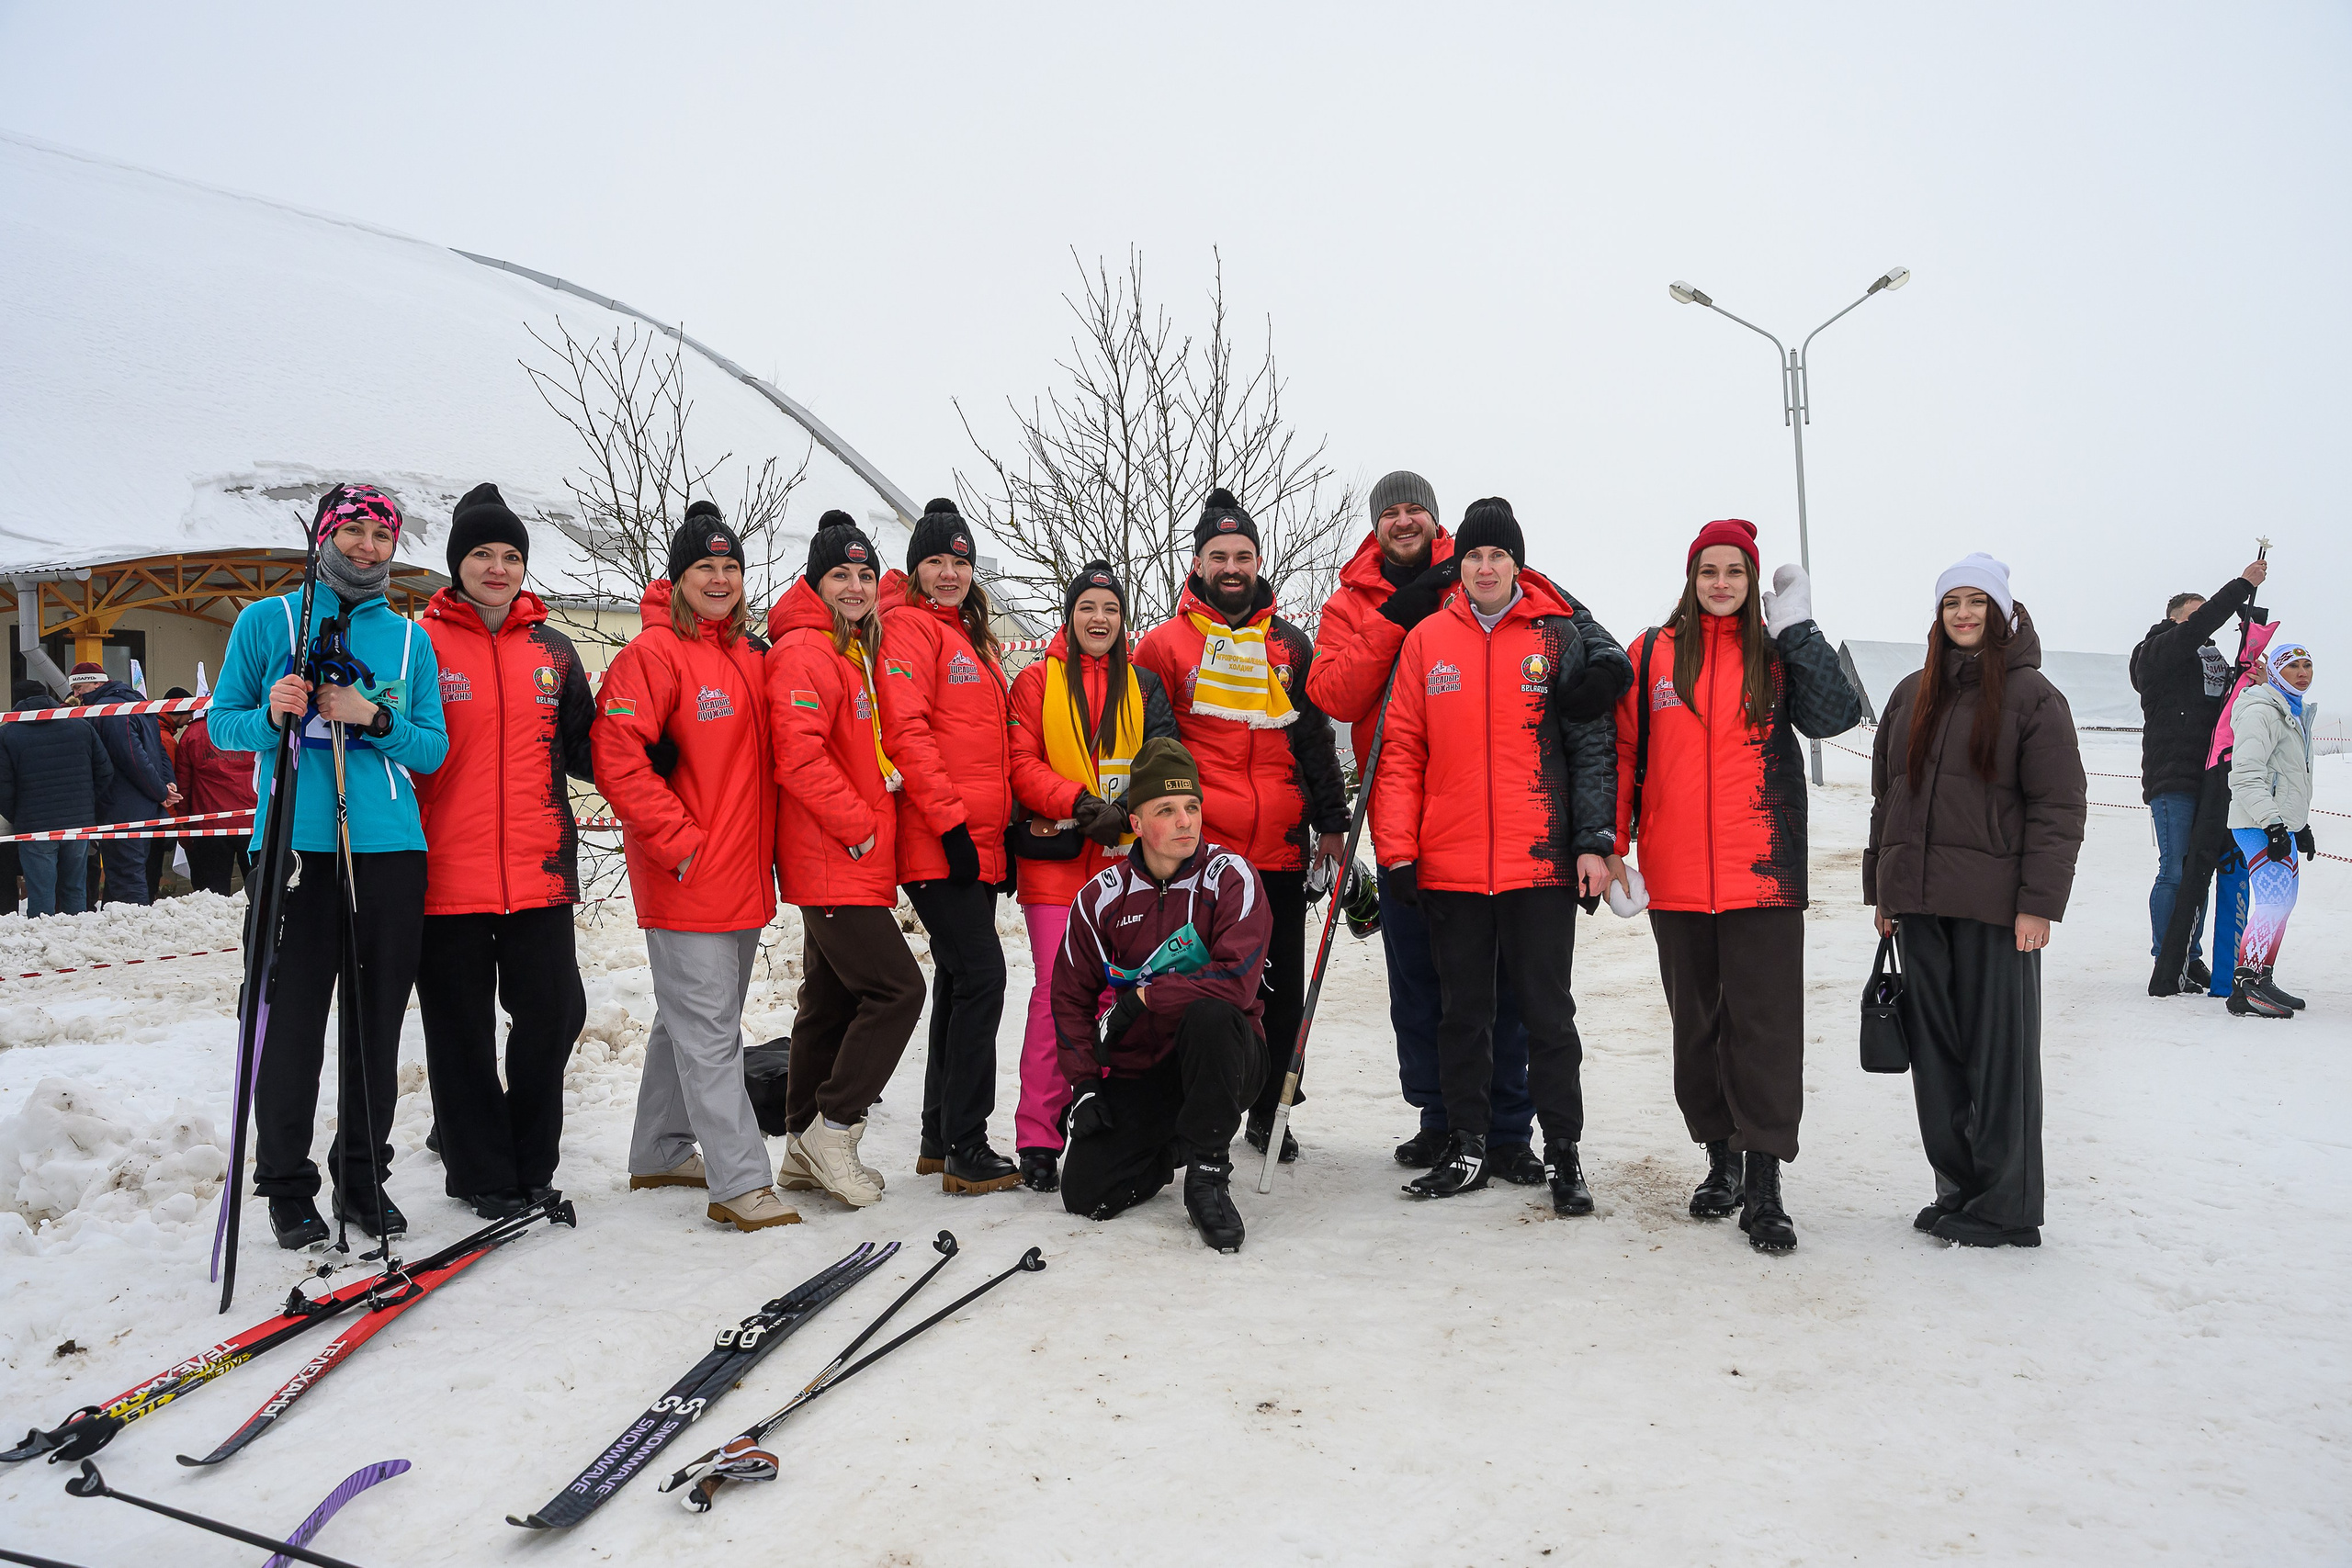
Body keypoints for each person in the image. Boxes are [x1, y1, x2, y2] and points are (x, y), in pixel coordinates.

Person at [1606, 519, 1862, 1253]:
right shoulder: (1653, 653)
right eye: (1709, 570)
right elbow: (1624, 752)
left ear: (1753, 583)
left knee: (1767, 1031)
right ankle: (1717, 1159)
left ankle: (1765, 1184)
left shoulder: (1778, 657)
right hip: (1678, 876)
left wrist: (1802, 629)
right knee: (1698, 1027)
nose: (1721, 583)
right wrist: (1615, 844)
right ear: (1691, 577)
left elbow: (1836, 715)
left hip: (1764, 873)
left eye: (1735, 572)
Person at [1369, 498, 1631, 1215]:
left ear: (1519, 564)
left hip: (1538, 864)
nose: (1486, 568)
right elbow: (1401, 754)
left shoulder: (1555, 636)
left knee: (1548, 1015)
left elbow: (1591, 746)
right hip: (1450, 866)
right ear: (1461, 566)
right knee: (1464, 1015)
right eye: (1476, 556)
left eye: (1500, 556)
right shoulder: (1427, 639)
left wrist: (1594, 843)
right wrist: (1397, 853)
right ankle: (1469, 1143)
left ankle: (1564, 1154)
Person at [208, 484, 448, 1248]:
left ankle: (360, 1174)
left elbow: (433, 747)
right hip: (295, 850)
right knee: (294, 1022)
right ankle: (285, 1183)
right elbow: (221, 725)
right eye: (352, 531)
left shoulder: (409, 639)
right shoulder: (267, 620)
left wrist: (373, 717)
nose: (367, 547)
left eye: (381, 535)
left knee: (375, 1022)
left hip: (387, 849)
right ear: (323, 536)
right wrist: (273, 711)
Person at [1307, 471, 1543, 1182]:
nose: (1403, 521)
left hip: (1486, 811)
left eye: (1415, 510)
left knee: (1498, 983)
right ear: (1376, 524)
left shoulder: (1476, 560)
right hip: (1402, 811)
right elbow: (1333, 690)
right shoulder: (1349, 601)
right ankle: (1440, 1117)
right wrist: (1396, 618)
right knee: (1418, 978)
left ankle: (1506, 1126)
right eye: (1391, 512)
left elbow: (1550, 615)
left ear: (1432, 517)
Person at [1867, 554, 2086, 1249]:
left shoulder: (2032, 696)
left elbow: (2058, 807)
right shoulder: (1910, 693)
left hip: (1996, 909)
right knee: (1937, 1056)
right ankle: (1959, 1186)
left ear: (2001, 610)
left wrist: (2038, 904)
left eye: (1977, 601)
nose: (1963, 613)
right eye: (1951, 602)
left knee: (2000, 1058)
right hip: (1922, 905)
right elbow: (1888, 798)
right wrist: (1883, 887)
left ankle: (2008, 1204)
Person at [1132, 488, 1348, 1164]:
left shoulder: (1288, 644)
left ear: (1258, 561)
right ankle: (1188, 1108)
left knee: (1280, 990)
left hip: (1280, 850)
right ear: (1196, 563)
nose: (1232, 566)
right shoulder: (1163, 647)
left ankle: (1271, 1110)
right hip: (1204, 857)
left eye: (1243, 555)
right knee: (1200, 989)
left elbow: (1313, 741)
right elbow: (1155, 750)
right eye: (1218, 555)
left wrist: (1333, 822)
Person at [594, 501, 792, 1233]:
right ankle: (740, 1181)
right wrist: (681, 842)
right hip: (686, 874)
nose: (720, 577)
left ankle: (659, 1148)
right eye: (704, 566)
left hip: (739, 876)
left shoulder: (748, 655)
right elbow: (616, 757)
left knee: (690, 1024)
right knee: (711, 1032)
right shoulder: (652, 655)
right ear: (676, 578)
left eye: (731, 566)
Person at [413, 483, 597, 1217]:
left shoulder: (553, 648)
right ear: (456, 562)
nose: (498, 566)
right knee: (460, 1032)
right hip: (443, 875)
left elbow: (588, 748)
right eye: (483, 553)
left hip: (539, 870)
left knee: (553, 1015)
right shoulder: (417, 643)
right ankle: (481, 1170)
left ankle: (530, 1158)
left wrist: (669, 747)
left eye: (512, 554)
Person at [1053, 736, 1274, 1253]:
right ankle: (1173, 1143)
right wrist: (1084, 1085)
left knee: (1210, 1015)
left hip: (1229, 1059)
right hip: (1146, 1069)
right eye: (1167, 810)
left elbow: (1238, 982)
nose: (1185, 822)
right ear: (1135, 822)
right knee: (1086, 1193)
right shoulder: (1100, 897)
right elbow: (1069, 996)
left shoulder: (1230, 877)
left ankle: (1207, 1176)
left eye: (1192, 807)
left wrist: (1147, 998)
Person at [766, 513, 926, 1210]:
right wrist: (859, 827)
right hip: (834, 856)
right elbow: (798, 754)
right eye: (841, 575)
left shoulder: (847, 647)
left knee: (828, 1000)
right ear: (815, 581)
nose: (857, 586)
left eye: (865, 574)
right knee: (898, 990)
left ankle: (802, 1139)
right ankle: (836, 1128)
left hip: (847, 857)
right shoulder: (805, 649)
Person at [1005, 561, 1179, 1191]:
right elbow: (1020, 762)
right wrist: (1079, 803)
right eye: (1087, 608)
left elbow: (1165, 756)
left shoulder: (1144, 684)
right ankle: (1038, 1135)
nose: (1099, 618)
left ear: (1122, 619)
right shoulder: (1034, 680)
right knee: (1058, 994)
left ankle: (1101, 1120)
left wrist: (1129, 811)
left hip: (1122, 866)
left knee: (1116, 995)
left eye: (1110, 608)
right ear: (1070, 615)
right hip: (1055, 866)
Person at [877, 499, 1021, 1195]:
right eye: (935, 561)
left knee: (962, 980)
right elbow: (907, 733)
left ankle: (940, 1136)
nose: (948, 573)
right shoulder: (909, 630)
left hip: (975, 844)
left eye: (959, 562)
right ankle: (967, 1144)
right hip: (940, 843)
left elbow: (992, 753)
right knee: (984, 977)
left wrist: (1002, 838)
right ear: (914, 570)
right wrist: (953, 827)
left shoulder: (973, 639)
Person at [2130, 559, 2267, 992]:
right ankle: (2166, 956)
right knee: (2173, 868)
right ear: (2172, 618)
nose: (2204, 620)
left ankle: (2190, 956)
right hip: (2172, 774)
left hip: (2210, 777)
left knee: (2197, 870)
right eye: (2195, 613)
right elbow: (2194, 630)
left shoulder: (2212, 658)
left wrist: (2251, 678)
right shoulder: (2155, 650)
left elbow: (2230, 710)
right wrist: (2241, 586)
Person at [2222, 636, 2319, 1018]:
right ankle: (2245, 986)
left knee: (2284, 903)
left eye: (2307, 666)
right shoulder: (2262, 710)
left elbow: (2290, 778)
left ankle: (2262, 977)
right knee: (2272, 903)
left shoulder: (2291, 711)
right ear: (2276, 672)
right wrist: (2273, 825)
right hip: (2258, 822)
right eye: (2292, 666)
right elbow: (2245, 773)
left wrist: (2299, 825)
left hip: (2279, 823)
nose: (2301, 673)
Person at [0, 677, 110, 916]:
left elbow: (3, 786)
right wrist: (86, 805)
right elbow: (105, 771)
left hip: (35, 825)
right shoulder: (79, 725)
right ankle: (77, 938)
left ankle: (45, 943)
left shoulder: (8, 733)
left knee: (41, 893)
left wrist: (17, 815)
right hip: (78, 824)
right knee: (74, 888)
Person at [75, 660, 178, 907]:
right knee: (124, 874)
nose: (75, 694)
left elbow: (131, 756)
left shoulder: (108, 710)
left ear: (98, 682)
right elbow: (158, 749)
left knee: (125, 877)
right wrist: (166, 784)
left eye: (80, 686)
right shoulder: (138, 703)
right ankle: (118, 928)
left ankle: (134, 930)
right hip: (142, 806)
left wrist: (161, 790)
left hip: (121, 808)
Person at [172, 697, 255, 896]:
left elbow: (183, 785)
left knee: (211, 894)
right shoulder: (253, 728)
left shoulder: (193, 733)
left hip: (209, 824)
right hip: (252, 822)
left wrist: (182, 821)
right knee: (260, 890)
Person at [145, 686, 195, 898]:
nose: (192, 718)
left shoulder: (153, 729)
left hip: (147, 816)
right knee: (151, 872)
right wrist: (172, 824)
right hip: (159, 819)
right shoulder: (166, 740)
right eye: (190, 712)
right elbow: (171, 787)